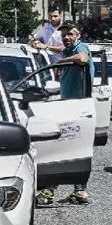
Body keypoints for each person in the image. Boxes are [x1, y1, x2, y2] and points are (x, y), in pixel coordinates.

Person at [37, 23, 94, 206]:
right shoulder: (67, 51)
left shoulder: (81, 48)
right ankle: (79, 191)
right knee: (75, 148)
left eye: (70, 34)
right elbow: (63, 50)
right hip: (70, 106)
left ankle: (49, 190)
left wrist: (60, 62)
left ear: (78, 35)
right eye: (64, 36)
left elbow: (83, 58)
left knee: (61, 147)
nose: (67, 38)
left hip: (78, 108)